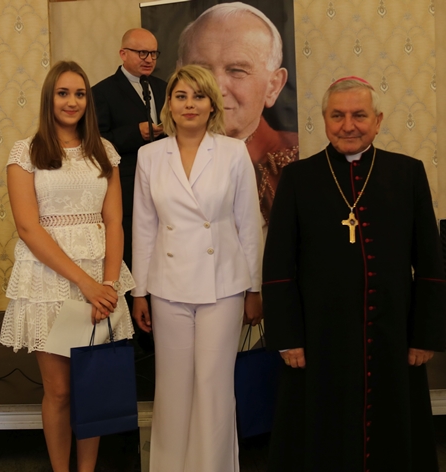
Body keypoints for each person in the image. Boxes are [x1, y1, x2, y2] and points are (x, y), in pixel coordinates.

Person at [262, 77, 446, 471]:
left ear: (378, 121)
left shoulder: (407, 173)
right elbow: (278, 266)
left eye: (359, 115)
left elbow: (430, 263)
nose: (348, 125)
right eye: (338, 116)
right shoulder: (298, 178)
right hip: (319, 336)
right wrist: (287, 337)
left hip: (393, 333)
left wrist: (425, 334)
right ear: (324, 120)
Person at [0, 61, 135, 472]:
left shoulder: (104, 150)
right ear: (49, 98)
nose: (72, 101)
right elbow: (28, 227)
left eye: (79, 94)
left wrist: (108, 284)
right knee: (58, 390)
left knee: (91, 384)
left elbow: (114, 221)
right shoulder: (26, 151)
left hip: (101, 278)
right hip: (48, 280)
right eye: (63, 93)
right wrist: (87, 284)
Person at [131, 65, 264, 472]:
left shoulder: (233, 152)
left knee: (213, 386)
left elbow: (248, 223)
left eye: (199, 96)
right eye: (181, 96)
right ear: (169, 105)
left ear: (212, 105)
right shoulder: (150, 155)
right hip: (167, 286)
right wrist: (139, 292)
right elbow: (144, 227)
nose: (190, 104)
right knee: (172, 387)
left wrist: (254, 288)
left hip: (222, 284)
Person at [178, 2, 299, 225]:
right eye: (201, 70)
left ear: (273, 86)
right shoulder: (156, 156)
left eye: (236, 71)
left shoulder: (297, 160)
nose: (216, 88)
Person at [92, 28, 167, 270]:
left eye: (153, 54)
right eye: (142, 53)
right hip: (127, 191)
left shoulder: (165, 88)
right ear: (123, 54)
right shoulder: (102, 92)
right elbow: (95, 142)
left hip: (166, 186)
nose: (149, 59)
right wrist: (136, 133)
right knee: (134, 258)